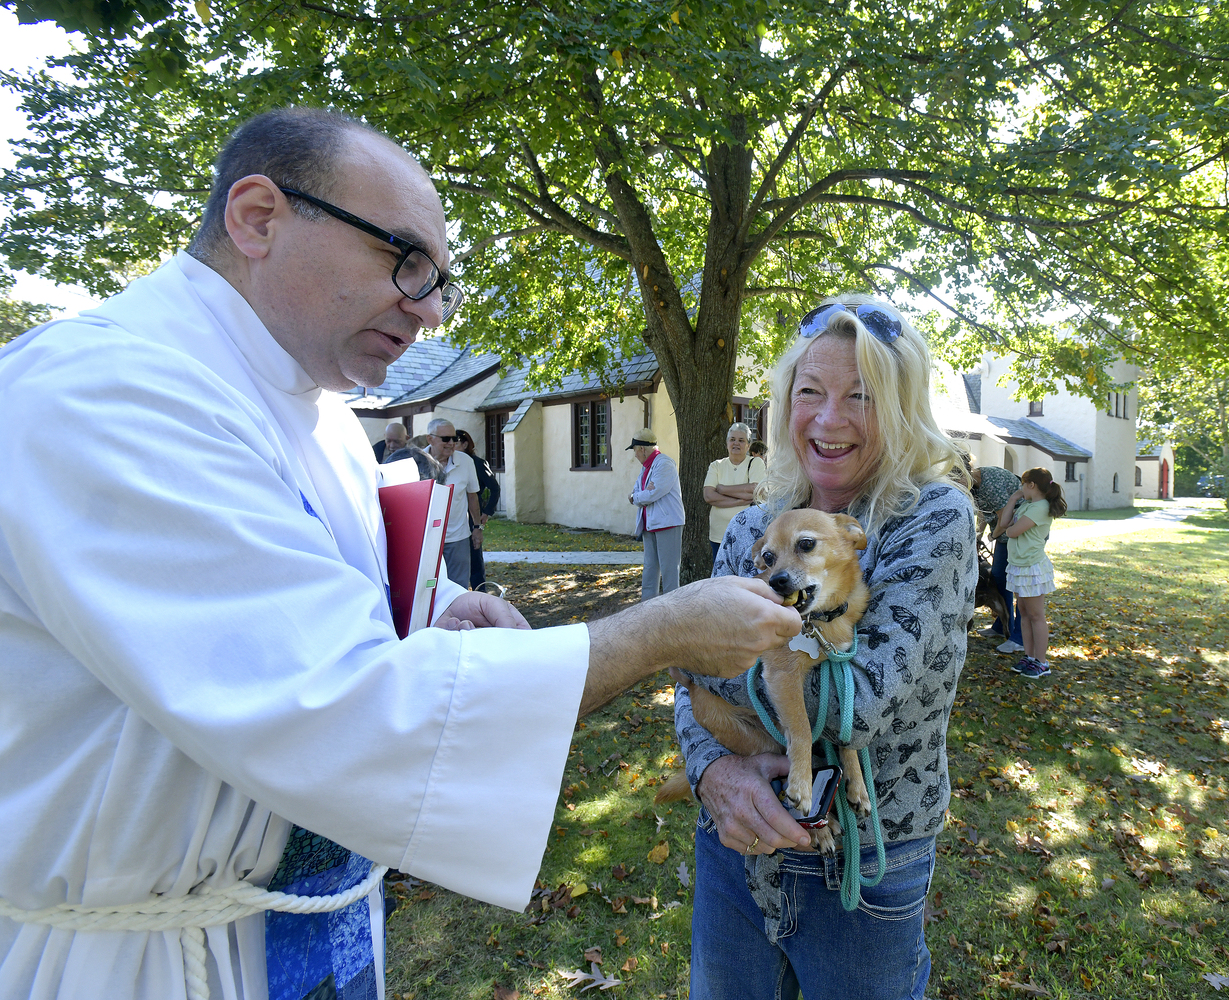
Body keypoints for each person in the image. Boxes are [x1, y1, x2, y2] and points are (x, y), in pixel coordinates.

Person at [0, 106, 804, 1000]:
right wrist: (657, 634)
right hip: (143, 959)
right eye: (404, 259)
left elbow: (306, 634)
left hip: (309, 920)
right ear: (259, 216)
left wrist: (426, 627)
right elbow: (329, 709)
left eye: (439, 283)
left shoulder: (331, 426)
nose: (425, 311)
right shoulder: (109, 393)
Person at [672, 296, 977, 1000]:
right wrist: (712, 772)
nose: (829, 419)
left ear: (901, 409)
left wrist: (682, 644)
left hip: (866, 866)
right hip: (736, 846)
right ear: (785, 404)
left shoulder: (930, 519)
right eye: (810, 392)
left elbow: (855, 707)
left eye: (861, 397)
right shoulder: (755, 522)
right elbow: (689, 693)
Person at [995, 466, 1068, 678]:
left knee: (1036, 616)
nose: (1021, 490)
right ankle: (1029, 657)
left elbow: (1011, 531)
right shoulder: (1027, 505)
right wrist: (1012, 500)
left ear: (1032, 485)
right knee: (1024, 614)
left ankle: (1042, 662)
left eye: (1023, 485)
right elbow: (1004, 523)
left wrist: (1007, 529)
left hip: (1032, 568)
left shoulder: (1040, 508)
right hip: (1019, 566)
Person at [966, 455, 1024, 651]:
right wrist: (978, 536)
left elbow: (1003, 518)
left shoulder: (990, 483)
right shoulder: (974, 486)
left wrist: (993, 536)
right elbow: (982, 513)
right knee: (999, 579)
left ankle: (1018, 637)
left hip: (1019, 534)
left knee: (1020, 584)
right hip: (1004, 534)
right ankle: (1001, 626)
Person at [424, 418, 483, 588]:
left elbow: (473, 497)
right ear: (430, 439)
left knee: (458, 587)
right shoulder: (417, 461)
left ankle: (458, 615)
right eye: (445, 439)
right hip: (426, 537)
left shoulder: (465, 462)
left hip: (458, 537)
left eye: (454, 438)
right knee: (427, 588)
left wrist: (478, 528)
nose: (451, 443)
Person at [628, 429, 685, 600]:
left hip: (668, 523)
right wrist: (639, 495)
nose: (635, 455)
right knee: (650, 568)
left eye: (635, 451)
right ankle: (647, 608)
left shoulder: (665, 464)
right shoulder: (646, 467)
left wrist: (636, 497)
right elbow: (638, 492)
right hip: (650, 524)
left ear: (642, 449)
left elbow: (651, 494)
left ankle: (671, 610)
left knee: (669, 570)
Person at [703, 421, 766, 565]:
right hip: (719, 535)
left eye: (741, 440)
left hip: (749, 534)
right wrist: (739, 500)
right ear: (726, 443)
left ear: (748, 445)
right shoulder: (716, 466)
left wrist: (723, 489)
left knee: (747, 576)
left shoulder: (756, 463)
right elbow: (708, 496)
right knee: (722, 579)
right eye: (732, 439)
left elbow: (756, 490)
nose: (736, 443)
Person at [455, 428, 500, 590]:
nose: (451, 445)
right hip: (454, 516)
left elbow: (495, 488)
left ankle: (480, 592)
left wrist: (487, 512)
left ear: (465, 444)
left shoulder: (476, 463)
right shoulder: (448, 463)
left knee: (474, 555)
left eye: (455, 442)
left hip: (471, 514)